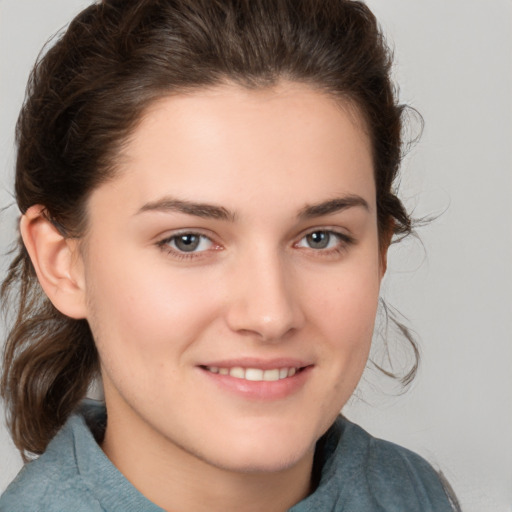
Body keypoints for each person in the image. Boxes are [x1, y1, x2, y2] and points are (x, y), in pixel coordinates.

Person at [0, 0, 460, 510]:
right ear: (63, 263)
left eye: (320, 237)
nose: (270, 315)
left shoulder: (414, 493)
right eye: (187, 240)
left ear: (379, 251)